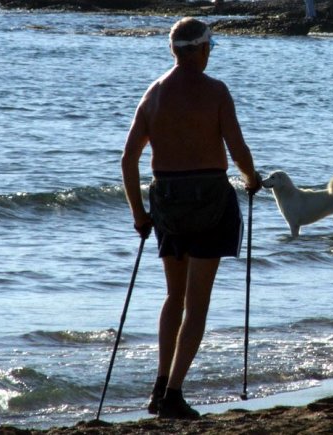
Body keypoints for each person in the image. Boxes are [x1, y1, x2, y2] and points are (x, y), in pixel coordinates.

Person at [121, 17, 262, 419]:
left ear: (172, 50)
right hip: (210, 201)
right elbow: (237, 148)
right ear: (200, 50)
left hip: (167, 200)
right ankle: (173, 393)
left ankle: (160, 384)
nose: (209, 54)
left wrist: (139, 214)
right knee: (197, 303)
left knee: (174, 297)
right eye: (210, 48)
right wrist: (252, 179)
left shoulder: (153, 95)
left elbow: (128, 159)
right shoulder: (216, 91)